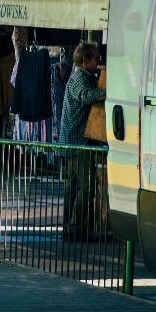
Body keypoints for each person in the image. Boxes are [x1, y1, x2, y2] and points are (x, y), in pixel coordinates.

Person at [60, 42, 107, 241]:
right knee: (87, 187)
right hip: (76, 141)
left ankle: (70, 228)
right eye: (96, 58)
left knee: (73, 187)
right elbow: (86, 96)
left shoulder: (81, 75)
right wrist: (108, 91)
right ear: (85, 61)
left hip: (71, 141)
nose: (99, 61)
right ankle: (77, 229)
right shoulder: (79, 76)